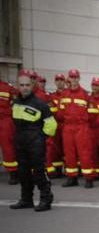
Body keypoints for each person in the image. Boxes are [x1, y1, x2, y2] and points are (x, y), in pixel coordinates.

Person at [9, 72, 56, 211]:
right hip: (20, 142)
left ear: (32, 85)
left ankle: (46, 199)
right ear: (18, 86)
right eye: (22, 85)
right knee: (23, 173)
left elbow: (51, 125)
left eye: (27, 85)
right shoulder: (15, 103)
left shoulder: (40, 104)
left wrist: (41, 137)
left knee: (39, 172)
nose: (24, 88)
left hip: (35, 143)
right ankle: (26, 199)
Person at [60, 69, 94, 187]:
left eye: (75, 77)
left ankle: (88, 178)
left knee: (84, 153)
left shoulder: (85, 94)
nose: (73, 80)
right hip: (68, 127)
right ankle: (72, 178)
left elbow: (90, 113)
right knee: (69, 154)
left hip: (81, 127)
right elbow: (61, 111)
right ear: (69, 78)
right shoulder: (64, 94)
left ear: (79, 79)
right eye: (71, 77)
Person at [1, 71, 18, 184]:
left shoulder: (7, 88)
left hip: (4, 120)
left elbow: (16, 103)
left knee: (8, 148)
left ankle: (13, 173)